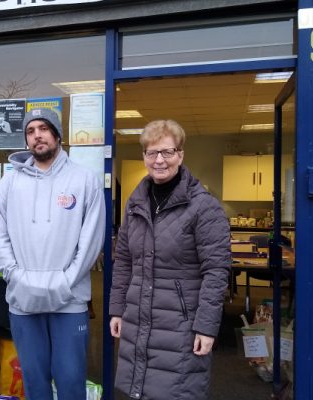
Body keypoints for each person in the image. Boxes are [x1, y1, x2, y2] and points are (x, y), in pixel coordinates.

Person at [109, 119, 230, 400]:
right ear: (144, 157)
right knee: (139, 391)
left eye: (168, 152)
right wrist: (117, 309)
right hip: (138, 319)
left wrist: (206, 326)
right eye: (152, 153)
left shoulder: (203, 207)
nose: (160, 160)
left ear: (181, 155)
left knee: (175, 392)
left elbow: (216, 271)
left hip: (180, 327)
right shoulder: (135, 202)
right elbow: (124, 259)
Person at [0, 108, 105, 400]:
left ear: (57, 135)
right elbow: (0, 238)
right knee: (34, 380)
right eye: (31, 131)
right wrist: (16, 277)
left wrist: (66, 281)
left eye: (43, 128)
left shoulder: (84, 180)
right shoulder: (8, 184)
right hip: (23, 301)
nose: (37, 136)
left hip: (68, 300)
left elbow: (91, 240)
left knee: (70, 380)